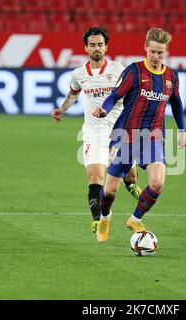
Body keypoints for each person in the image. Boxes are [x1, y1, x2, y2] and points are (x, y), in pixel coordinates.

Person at [92, 28, 186, 242]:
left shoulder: (171, 76)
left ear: (166, 52)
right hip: (125, 135)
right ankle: (105, 216)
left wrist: (182, 131)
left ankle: (135, 218)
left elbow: (176, 103)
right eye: (152, 51)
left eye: (160, 53)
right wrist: (104, 109)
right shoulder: (134, 71)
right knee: (109, 191)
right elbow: (115, 95)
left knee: (157, 182)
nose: (155, 57)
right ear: (145, 48)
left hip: (153, 137)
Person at [51, 27, 141, 234]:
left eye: (100, 44)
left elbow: (131, 95)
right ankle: (98, 219)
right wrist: (62, 110)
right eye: (92, 45)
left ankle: (130, 184)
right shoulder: (79, 74)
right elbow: (73, 94)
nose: (96, 48)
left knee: (131, 177)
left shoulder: (119, 70)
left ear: (106, 47)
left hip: (119, 131)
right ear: (86, 48)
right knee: (95, 177)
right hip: (93, 132)